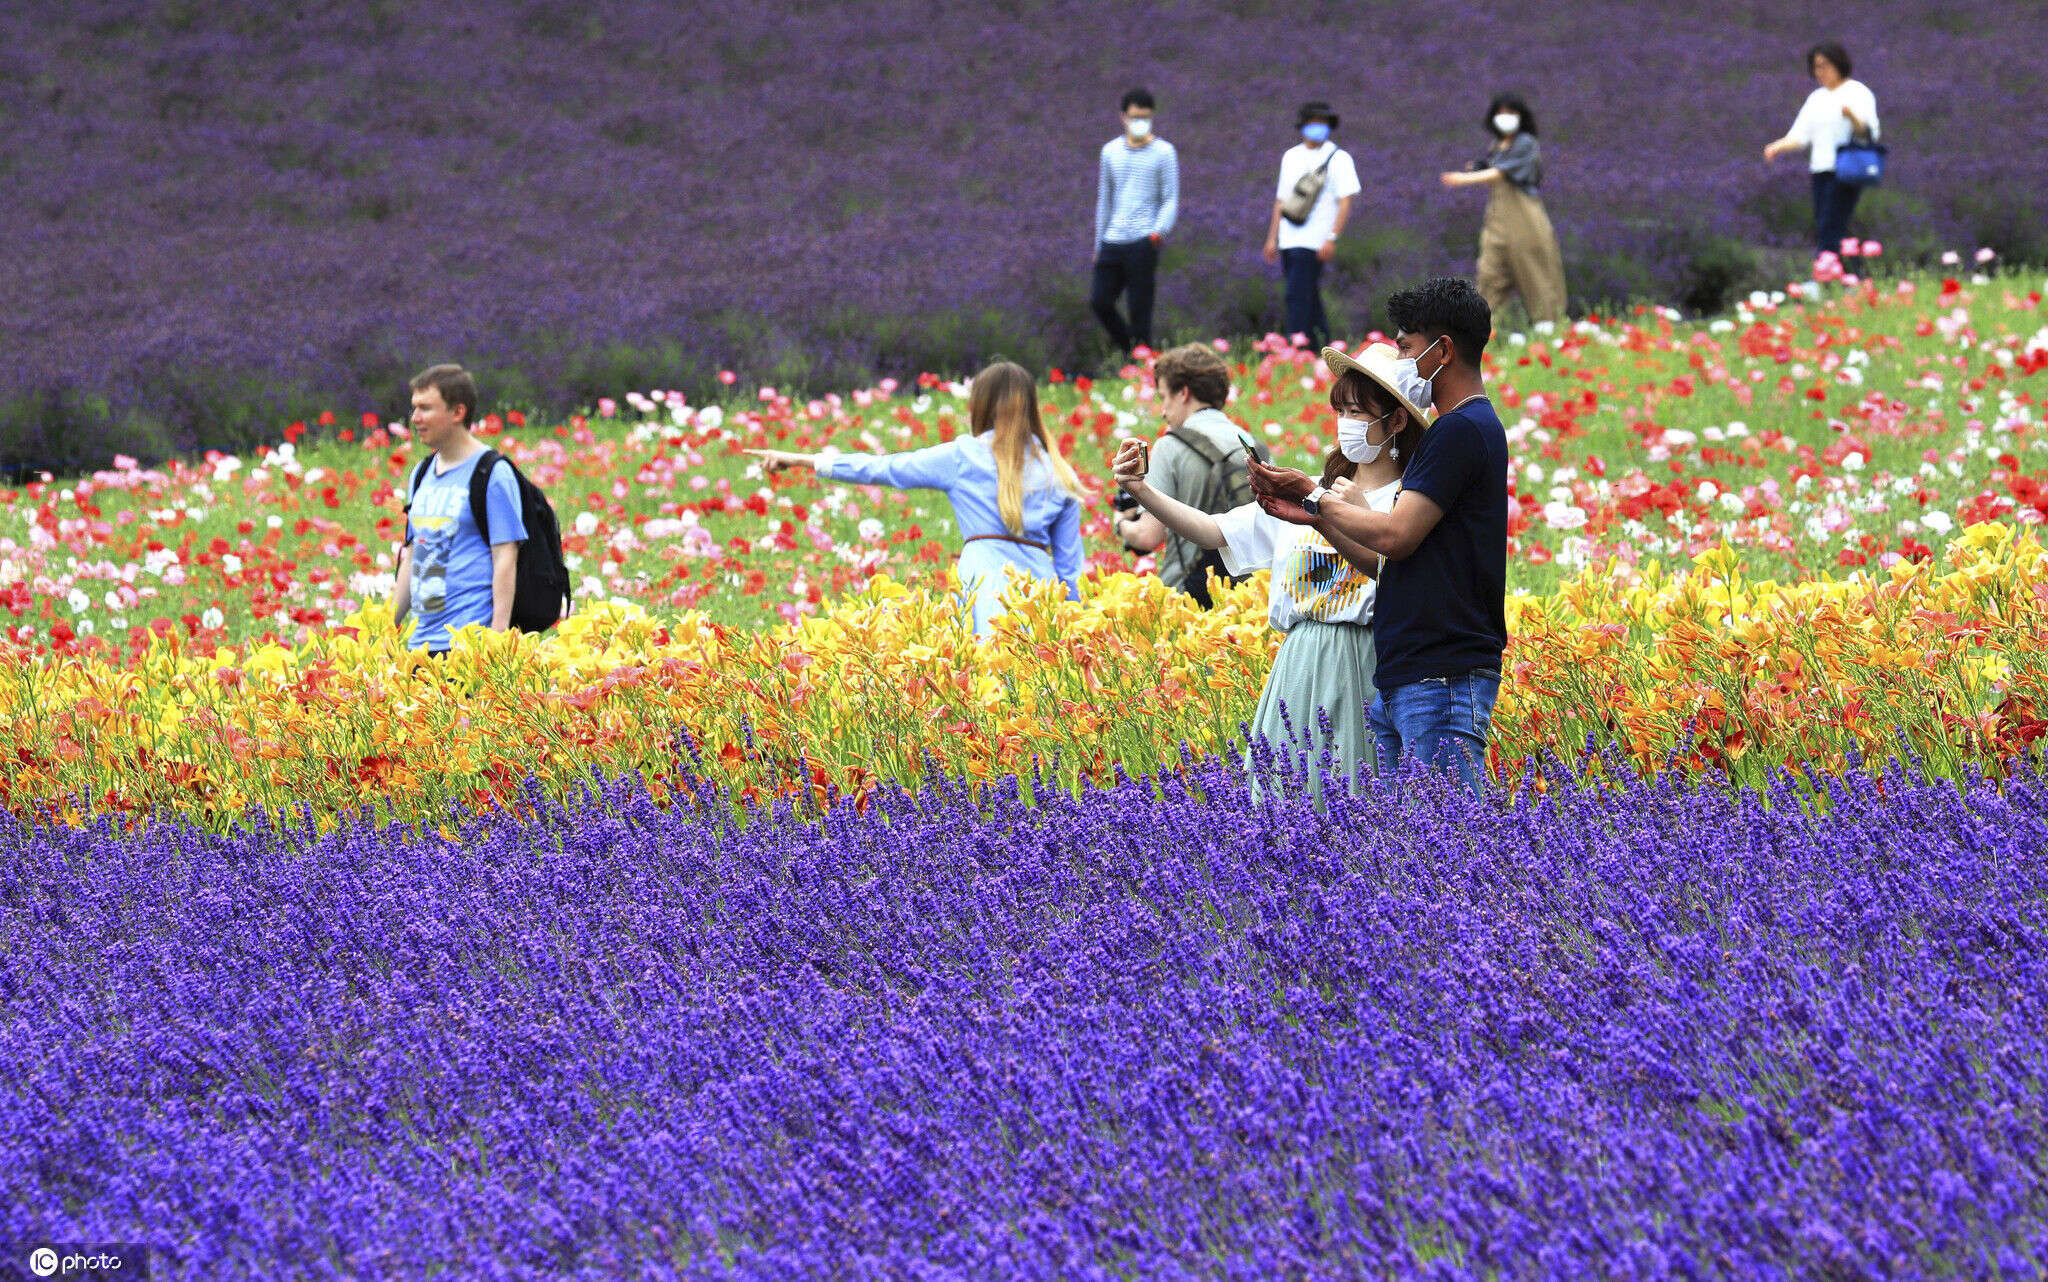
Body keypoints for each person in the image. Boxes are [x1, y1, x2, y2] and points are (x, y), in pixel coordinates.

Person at [1113, 342, 1426, 799]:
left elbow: (1396, 569)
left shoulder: (1409, 502)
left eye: (1357, 412)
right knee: (1288, 802)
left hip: (1366, 659)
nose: (1345, 425)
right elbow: (1213, 530)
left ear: (1395, 421)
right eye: (1341, 410)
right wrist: (1141, 490)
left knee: (1357, 800)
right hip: (1299, 662)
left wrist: (1343, 513)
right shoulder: (1309, 491)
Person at [1248, 278, 1506, 796]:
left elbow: (1396, 535)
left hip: (1441, 670)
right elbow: (1386, 562)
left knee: (1447, 843)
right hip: (1411, 668)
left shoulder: (1459, 431)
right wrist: (1319, 518)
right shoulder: (1454, 431)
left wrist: (1314, 495)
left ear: (1444, 350)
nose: (1402, 359)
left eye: (1408, 348)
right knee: (1407, 842)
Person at [748, 361, 1087, 636]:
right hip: (1041, 594)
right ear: (1031, 405)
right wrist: (1074, 629)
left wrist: (801, 459)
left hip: (985, 583)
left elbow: (883, 468)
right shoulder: (1061, 473)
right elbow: (1070, 570)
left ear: (980, 405)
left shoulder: (962, 456)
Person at [1112, 343, 1269, 608]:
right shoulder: (1253, 446)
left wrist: (1120, 523)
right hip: (1249, 601)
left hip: (1188, 600)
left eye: (1164, 397)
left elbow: (1148, 536)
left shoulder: (1171, 446)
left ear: (1183, 393)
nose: (1163, 411)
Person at [391, 364, 527, 654]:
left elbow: (505, 556)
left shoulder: (492, 473)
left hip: (469, 646)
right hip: (420, 647)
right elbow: (413, 553)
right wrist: (386, 629)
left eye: (426, 408)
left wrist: (497, 642)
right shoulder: (421, 472)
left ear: (457, 412)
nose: (415, 418)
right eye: (414, 408)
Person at [1440, 94, 1567, 326]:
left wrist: (1465, 179)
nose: (1504, 119)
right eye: (1501, 113)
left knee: (1534, 270)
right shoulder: (1497, 146)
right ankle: (1486, 329)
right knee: (1490, 274)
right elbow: (1491, 166)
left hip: (1524, 219)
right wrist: (1476, 167)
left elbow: (1501, 172)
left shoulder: (1526, 143)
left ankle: (1548, 325)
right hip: (1497, 220)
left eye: (1510, 113)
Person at [1764, 41, 1880, 274]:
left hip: (1846, 169)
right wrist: (1778, 146)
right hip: (1821, 170)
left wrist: (1853, 118)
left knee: (1829, 224)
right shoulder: (1817, 98)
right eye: (1816, 67)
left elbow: (1869, 134)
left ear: (1839, 64)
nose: (1820, 72)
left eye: (1825, 65)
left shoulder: (1857, 92)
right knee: (1833, 224)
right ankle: (1854, 277)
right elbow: (1801, 135)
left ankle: (1825, 276)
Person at [1263, 101, 1359, 352]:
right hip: (1289, 237)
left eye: (1322, 122)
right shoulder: (1291, 156)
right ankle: (1323, 348)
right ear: (1302, 125)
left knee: (1296, 296)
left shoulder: (1339, 158)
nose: (1317, 127)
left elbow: (1345, 201)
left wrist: (1332, 237)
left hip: (1315, 240)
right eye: (1312, 122)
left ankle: (1297, 350)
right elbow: (1281, 200)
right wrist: (1272, 238)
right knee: (1308, 296)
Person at [1092, 87, 1180, 356]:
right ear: (1123, 117)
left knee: (1140, 310)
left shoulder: (1164, 152)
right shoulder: (1110, 152)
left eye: (1145, 117)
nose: (1139, 122)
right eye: (1134, 117)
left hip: (1144, 240)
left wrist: (1159, 231)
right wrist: (1098, 244)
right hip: (1113, 239)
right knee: (1100, 301)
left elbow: (1170, 197)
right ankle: (1132, 351)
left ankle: (1142, 366)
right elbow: (1104, 199)